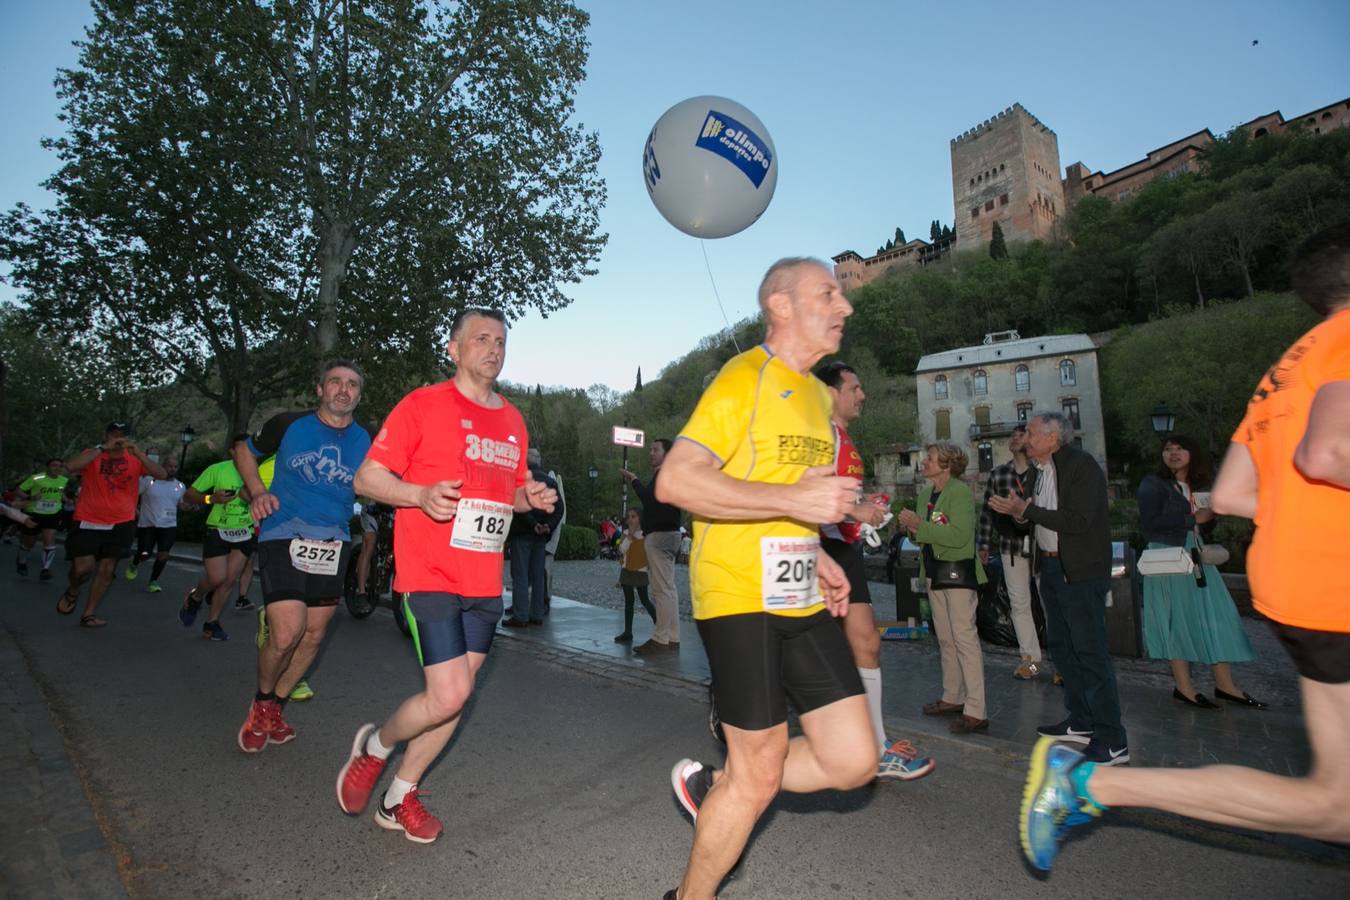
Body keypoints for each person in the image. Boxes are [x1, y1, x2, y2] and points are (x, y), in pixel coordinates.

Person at [1020, 222, 1350, 870]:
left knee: (1335, 803)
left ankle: (1094, 784)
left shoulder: (1284, 370)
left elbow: (1226, 493)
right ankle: (1091, 774)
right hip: (1333, 584)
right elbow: (1328, 451)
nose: (1028, 437)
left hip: (1302, 586)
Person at [657, 258, 876, 900]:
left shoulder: (814, 394)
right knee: (757, 772)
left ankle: (717, 790)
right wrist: (799, 506)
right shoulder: (742, 377)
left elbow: (789, 493)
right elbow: (678, 480)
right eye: (828, 293)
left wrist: (820, 555)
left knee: (854, 759)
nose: (846, 305)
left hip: (797, 588)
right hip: (737, 593)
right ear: (780, 305)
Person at [336, 308, 556, 844]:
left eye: (501, 341)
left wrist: (530, 497)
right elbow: (367, 476)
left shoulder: (513, 421)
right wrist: (418, 495)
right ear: (454, 349)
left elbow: (510, 490)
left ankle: (397, 796)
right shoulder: (422, 405)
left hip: (483, 581)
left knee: (456, 696)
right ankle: (375, 748)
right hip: (429, 572)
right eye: (481, 339)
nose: (494, 348)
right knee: (451, 692)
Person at [232, 359, 370, 753]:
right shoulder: (289, 424)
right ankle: (261, 702)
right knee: (288, 631)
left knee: (313, 635)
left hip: (333, 542)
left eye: (352, 385)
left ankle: (274, 708)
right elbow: (243, 450)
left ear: (359, 395)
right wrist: (258, 491)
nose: (344, 390)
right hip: (282, 531)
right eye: (336, 382)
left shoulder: (369, 439)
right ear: (320, 389)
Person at [816, 360, 934, 779]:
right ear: (831, 392)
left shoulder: (844, 437)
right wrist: (855, 510)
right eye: (855, 387)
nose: (862, 395)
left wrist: (867, 511)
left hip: (844, 547)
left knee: (866, 643)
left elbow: (843, 493)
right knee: (804, 647)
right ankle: (737, 694)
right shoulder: (818, 434)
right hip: (815, 548)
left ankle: (877, 745)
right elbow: (804, 488)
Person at [990, 411, 1126, 765]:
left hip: (1079, 572)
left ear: (1054, 438)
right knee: (1063, 650)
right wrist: (1019, 513)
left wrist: (1027, 511)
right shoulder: (1038, 472)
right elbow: (1038, 517)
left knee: (1090, 653)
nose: (1026, 438)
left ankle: (1112, 739)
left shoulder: (1082, 467)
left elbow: (1077, 521)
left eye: (1032, 433)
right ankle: (1081, 722)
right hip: (1049, 567)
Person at [1138, 434, 1263, 709]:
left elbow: (1204, 527)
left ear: (1192, 453)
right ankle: (1184, 688)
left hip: (1197, 555)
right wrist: (1192, 518)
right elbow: (1148, 522)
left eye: (1180, 448)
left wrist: (1210, 517)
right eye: (1168, 449)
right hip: (1169, 557)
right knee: (1177, 622)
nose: (1173, 453)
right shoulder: (1153, 484)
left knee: (1217, 617)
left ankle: (1225, 686)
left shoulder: (1197, 487)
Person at [900, 443, 989, 735]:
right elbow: (925, 537)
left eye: (931, 458)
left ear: (947, 465)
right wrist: (911, 528)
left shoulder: (960, 492)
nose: (924, 462)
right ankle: (953, 697)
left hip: (959, 576)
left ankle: (977, 710)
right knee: (947, 640)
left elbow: (961, 536)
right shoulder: (926, 494)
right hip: (934, 575)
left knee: (964, 639)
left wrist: (920, 527)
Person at [56, 423, 167, 627]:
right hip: (88, 519)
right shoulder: (93, 454)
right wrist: (101, 448)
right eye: (114, 435)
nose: (118, 440)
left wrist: (140, 454)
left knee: (107, 569)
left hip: (121, 522)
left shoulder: (135, 457)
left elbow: (161, 474)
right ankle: (73, 589)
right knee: (82, 569)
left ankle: (89, 613)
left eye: (122, 436)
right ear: (105, 435)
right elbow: (70, 467)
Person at [976, 425, 1045, 679]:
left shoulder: (1042, 473)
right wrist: (983, 544)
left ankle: (1063, 665)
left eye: (1021, 435)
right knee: (1019, 604)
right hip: (1010, 547)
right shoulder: (999, 474)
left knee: (1050, 603)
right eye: (1013, 436)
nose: (1015, 438)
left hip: (1041, 546)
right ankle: (1032, 661)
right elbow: (986, 513)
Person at [180, 456, 258, 641]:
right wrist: (210, 498)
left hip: (245, 532)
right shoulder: (218, 469)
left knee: (229, 580)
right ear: (233, 450)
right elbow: (189, 495)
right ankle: (195, 597)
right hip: (217, 529)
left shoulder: (260, 470)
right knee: (217, 578)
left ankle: (212, 623)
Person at [622, 439, 683, 654]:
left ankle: (660, 639)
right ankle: (673, 636)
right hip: (671, 534)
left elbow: (648, 499)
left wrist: (635, 480)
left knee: (661, 590)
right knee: (670, 588)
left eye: (656, 450)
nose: (651, 453)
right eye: (650, 450)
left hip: (660, 536)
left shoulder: (664, 474)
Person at [503, 448, 563, 627]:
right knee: (538, 575)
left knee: (520, 575)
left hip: (522, 534)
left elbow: (518, 506)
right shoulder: (551, 482)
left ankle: (521, 615)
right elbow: (559, 508)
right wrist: (548, 525)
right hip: (541, 537)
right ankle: (537, 614)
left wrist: (533, 524)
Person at [124, 453, 187, 593]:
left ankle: (153, 581)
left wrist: (190, 506)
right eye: (169, 466)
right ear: (162, 466)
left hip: (169, 525)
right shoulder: (148, 481)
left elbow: (182, 504)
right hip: (148, 524)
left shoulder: (180, 486)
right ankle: (135, 563)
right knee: (145, 554)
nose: (172, 469)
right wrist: (134, 510)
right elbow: (132, 495)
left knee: (163, 554)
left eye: (175, 467)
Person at [15, 458, 70, 581]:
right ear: (47, 467)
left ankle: (45, 569)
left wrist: (67, 500)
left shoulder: (64, 480)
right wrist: (30, 497)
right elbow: (18, 491)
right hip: (35, 512)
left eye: (60, 466)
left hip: (53, 513)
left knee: (49, 540)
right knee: (30, 542)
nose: (57, 468)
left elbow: (60, 493)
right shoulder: (36, 478)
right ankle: (22, 560)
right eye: (54, 465)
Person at [614, 507, 656, 643]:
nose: (630, 519)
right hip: (627, 571)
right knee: (629, 602)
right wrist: (630, 537)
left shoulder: (646, 535)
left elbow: (649, 553)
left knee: (644, 600)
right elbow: (621, 549)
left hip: (640, 571)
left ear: (640, 519)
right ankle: (627, 632)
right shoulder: (626, 534)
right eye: (629, 517)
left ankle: (660, 625)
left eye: (634, 516)